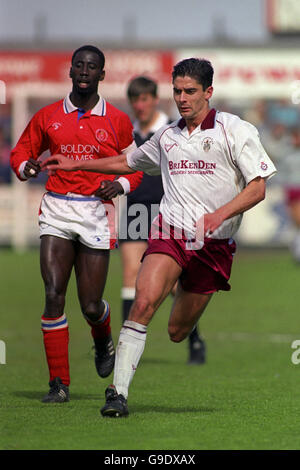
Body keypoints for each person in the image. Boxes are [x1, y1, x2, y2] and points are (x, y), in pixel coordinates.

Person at [42, 57, 277, 417]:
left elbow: (258, 188)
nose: (182, 98)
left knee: (177, 331)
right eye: (177, 91)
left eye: (190, 91)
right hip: (170, 232)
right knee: (143, 301)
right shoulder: (167, 136)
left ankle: (184, 292)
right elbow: (127, 162)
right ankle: (117, 394)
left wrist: (218, 214)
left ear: (208, 92)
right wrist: (78, 164)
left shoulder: (235, 130)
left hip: (214, 246)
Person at [10, 45, 142, 403]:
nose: (84, 71)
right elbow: (20, 153)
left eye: (92, 66)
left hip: (96, 213)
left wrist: (121, 184)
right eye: (79, 65)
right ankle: (59, 383)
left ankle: (102, 338)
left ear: (102, 74)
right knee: (53, 295)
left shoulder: (116, 120)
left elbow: (136, 166)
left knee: (90, 304)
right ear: (70, 72)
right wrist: (28, 168)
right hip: (56, 209)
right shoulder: (47, 116)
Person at [98, 75, 206, 364]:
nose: (140, 105)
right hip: (134, 209)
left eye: (145, 99)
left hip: (167, 210)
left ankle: (194, 339)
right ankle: (124, 345)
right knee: (130, 274)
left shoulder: (172, 129)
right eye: (135, 100)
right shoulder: (129, 134)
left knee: (171, 283)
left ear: (155, 99)